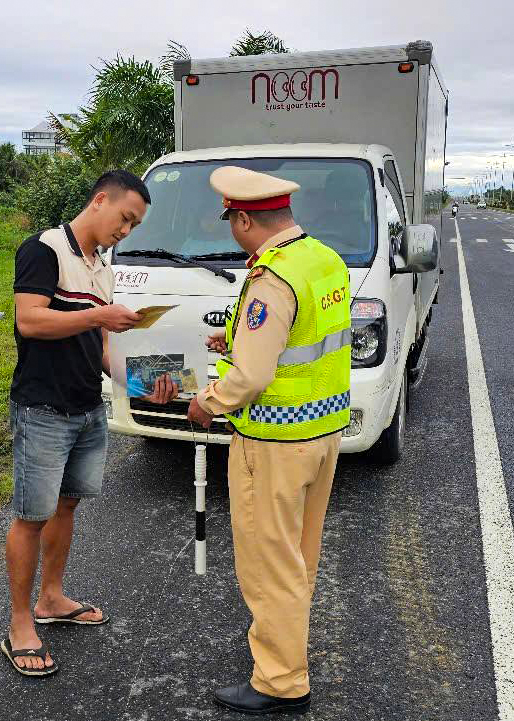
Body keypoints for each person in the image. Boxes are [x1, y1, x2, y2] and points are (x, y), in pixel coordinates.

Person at [187, 166, 352, 714]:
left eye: (231, 221)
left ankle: (280, 682)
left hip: (274, 445)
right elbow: (302, 337)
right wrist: (233, 335)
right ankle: (286, 653)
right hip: (321, 434)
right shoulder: (322, 259)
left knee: (269, 564)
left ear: (241, 219)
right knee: (299, 557)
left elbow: (253, 379)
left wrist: (206, 402)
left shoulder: (271, 278)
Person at [3, 169, 178, 676]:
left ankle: (51, 598)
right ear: (101, 200)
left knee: (66, 505)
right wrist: (98, 317)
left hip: (86, 407)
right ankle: (20, 622)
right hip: (43, 409)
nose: (127, 230)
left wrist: (151, 386)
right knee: (31, 517)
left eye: (135, 225)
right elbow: (30, 320)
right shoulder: (44, 249)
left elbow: (102, 350)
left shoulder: (102, 265)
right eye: (126, 218)